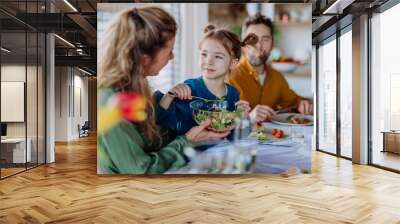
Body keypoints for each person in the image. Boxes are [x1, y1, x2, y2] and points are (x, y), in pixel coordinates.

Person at [97, 7, 229, 174]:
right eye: (169, 50)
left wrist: (191, 136)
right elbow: (142, 170)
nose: (172, 56)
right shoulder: (110, 104)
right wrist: (186, 140)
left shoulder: (135, 88)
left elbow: (150, 142)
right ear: (145, 59)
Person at [155, 25, 252, 138]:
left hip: (220, 151)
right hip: (190, 150)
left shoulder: (233, 94)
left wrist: (241, 118)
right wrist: (170, 95)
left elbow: (231, 134)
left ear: (232, 63)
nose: (209, 61)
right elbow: (162, 119)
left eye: (218, 57)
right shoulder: (190, 88)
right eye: (204, 54)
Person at [228, 12, 313, 123]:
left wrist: (303, 104)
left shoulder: (277, 77)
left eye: (265, 39)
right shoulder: (229, 76)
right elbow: (220, 118)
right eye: (252, 39)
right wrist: (248, 118)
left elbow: (295, 101)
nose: (259, 45)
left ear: (272, 45)